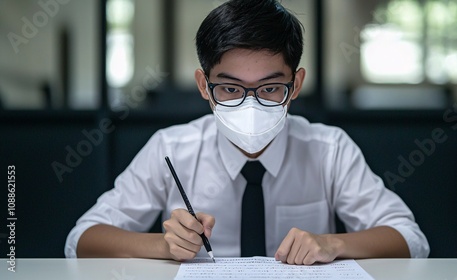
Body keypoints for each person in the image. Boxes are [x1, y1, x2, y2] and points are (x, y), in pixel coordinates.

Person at [65, 0, 429, 265]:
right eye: (231, 88)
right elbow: (82, 239)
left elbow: (411, 240)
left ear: (296, 84)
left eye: (271, 88)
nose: (250, 106)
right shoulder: (171, 148)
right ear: (204, 86)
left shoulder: (329, 149)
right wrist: (163, 246)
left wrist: (333, 243)